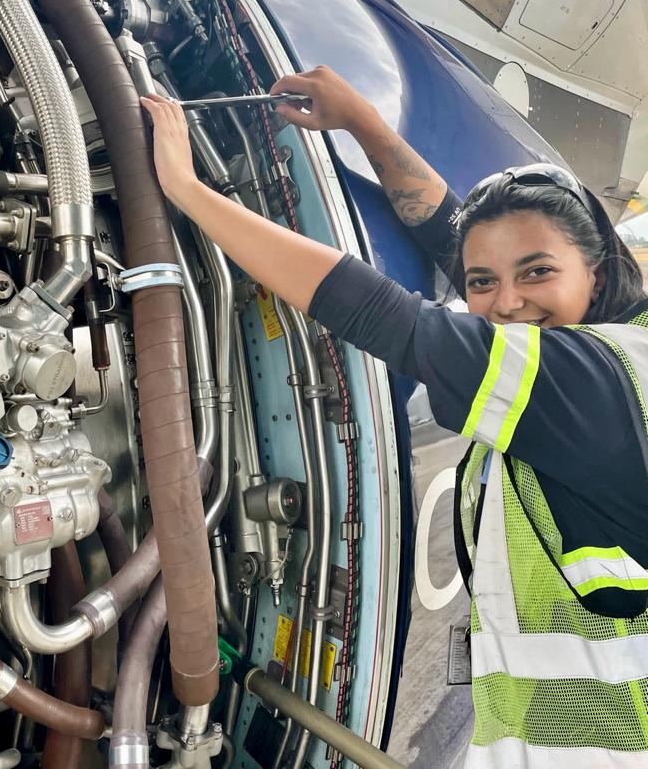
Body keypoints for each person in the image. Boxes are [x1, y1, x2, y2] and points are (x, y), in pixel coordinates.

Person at [139, 65, 648, 769]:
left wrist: (188, 193)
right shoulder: (621, 346)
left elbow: (388, 318)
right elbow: (462, 239)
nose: (504, 304)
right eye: (479, 283)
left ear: (597, 271)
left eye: (537, 273)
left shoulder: (585, 379)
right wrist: (362, 123)